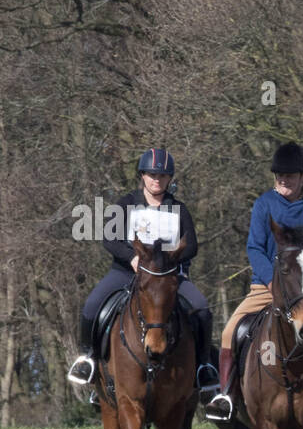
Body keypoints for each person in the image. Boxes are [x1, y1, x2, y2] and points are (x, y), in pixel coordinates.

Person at [204, 142, 303, 424]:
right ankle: (227, 396)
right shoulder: (264, 204)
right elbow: (255, 248)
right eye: (279, 176)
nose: (283, 180)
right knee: (229, 333)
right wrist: (270, 282)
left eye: (289, 176)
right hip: (266, 288)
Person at [67, 149, 219, 405]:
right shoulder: (125, 204)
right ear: (142, 176)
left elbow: (191, 245)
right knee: (92, 305)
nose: (157, 180)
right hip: (126, 272)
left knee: (202, 308)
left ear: (169, 179)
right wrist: (132, 257)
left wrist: (169, 260)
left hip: (167, 277)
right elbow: (110, 239)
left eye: (162, 176)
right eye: (152, 175)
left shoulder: (178, 209)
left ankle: (204, 367)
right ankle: (89, 360)